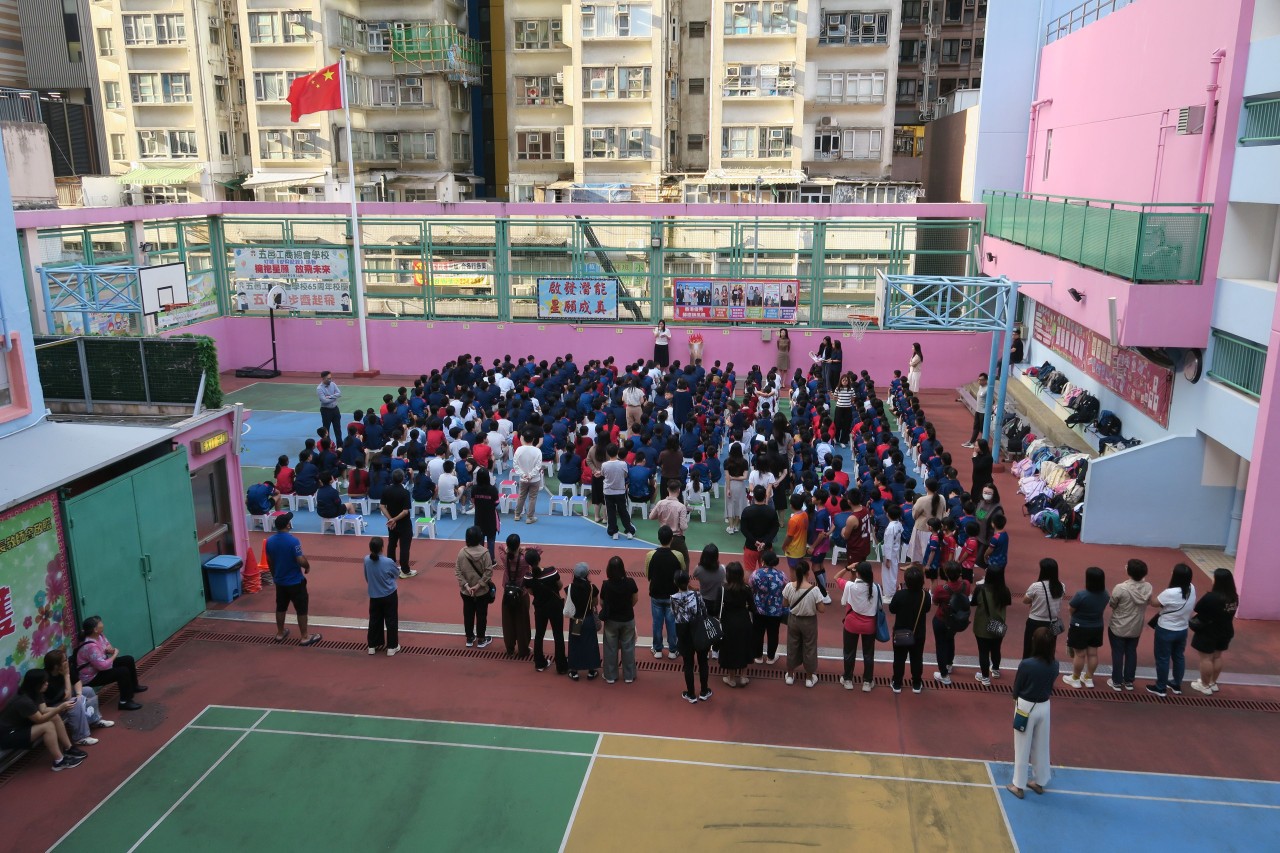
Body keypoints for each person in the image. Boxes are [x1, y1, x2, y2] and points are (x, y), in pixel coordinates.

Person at [1007, 627, 1058, 799]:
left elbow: (1017, 687)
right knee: (1042, 745)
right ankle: (1040, 781)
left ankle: (1018, 785)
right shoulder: (1055, 665)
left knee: (1022, 746)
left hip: (1025, 706)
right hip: (1044, 705)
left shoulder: (1027, 664)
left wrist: (1015, 698)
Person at [0, 670, 85, 772]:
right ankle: (59, 762)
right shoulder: (23, 701)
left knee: (54, 717)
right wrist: (60, 708)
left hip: (21, 726)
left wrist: (63, 708)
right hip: (8, 735)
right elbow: (40, 719)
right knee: (47, 727)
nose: (47, 684)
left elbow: (43, 710)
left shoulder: (36, 692)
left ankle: (68, 748)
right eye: (44, 682)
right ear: (36, 684)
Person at [75, 615, 148, 709]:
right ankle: (124, 702)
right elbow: (102, 666)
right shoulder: (90, 646)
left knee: (128, 660)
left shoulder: (100, 636)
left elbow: (107, 645)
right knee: (122, 671)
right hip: (91, 676)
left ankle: (134, 686)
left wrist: (110, 650)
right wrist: (115, 654)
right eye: (100, 623)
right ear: (95, 629)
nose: (102, 624)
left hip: (98, 668)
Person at [1147, 563, 1197, 697]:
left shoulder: (1170, 593)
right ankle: (1176, 683)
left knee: (1162, 659)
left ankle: (1160, 687)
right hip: (1182, 629)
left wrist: (1148, 592)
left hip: (1166, 629)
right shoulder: (1191, 588)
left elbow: (1154, 603)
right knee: (1179, 656)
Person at [43, 649, 109, 746]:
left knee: (88, 691)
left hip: (65, 697)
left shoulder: (66, 667)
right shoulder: (47, 679)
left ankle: (95, 720)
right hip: (53, 707)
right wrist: (66, 675)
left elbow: (77, 681)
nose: (67, 662)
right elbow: (67, 697)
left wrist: (79, 695)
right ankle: (80, 737)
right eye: (64, 660)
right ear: (56, 666)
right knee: (74, 703)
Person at [1190, 568, 1238, 695]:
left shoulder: (1211, 597)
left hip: (1209, 632)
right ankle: (1212, 682)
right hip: (1226, 630)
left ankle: (1204, 685)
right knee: (1217, 656)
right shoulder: (1233, 597)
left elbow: (1197, 609)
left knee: (1206, 659)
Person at [1106, 559, 1151, 692]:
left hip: (1118, 625)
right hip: (1136, 626)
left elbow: (1112, 603)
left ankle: (1116, 681)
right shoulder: (1148, 587)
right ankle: (1129, 681)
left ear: (1129, 572)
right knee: (1131, 652)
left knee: (1117, 652)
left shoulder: (1120, 588)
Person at [835, 561, 881, 692]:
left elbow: (836, 577)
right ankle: (867, 682)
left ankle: (848, 679)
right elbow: (879, 606)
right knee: (868, 654)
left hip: (851, 624)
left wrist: (847, 568)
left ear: (858, 573)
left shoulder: (850, 586)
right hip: (869, 626)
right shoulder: (876, 587)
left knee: (849, 652)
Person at [1062, 567, 1110, 688]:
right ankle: (1088, 678)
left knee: (1079, 654)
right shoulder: (1105, 594)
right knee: (1093, 654)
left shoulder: (1081, 595)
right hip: (1097, 627)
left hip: (1080, 627)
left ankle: (1075, 678)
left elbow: (1071, 608)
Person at [782, 559, 825, 687]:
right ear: (808, 573)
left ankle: (790, 675)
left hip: (793, 620)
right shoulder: (814, 590)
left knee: (792, 645)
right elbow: (822, 609)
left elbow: (785, 604)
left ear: (796, 572)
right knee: (810, 647)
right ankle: (809, 678)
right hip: (809, 621)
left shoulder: (789, 586)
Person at [890, 565, 932, 694]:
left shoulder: (900, 594)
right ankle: (917, 683)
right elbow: (927, 609)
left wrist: (899, 592)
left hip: (901, 632)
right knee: (917, 658)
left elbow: (892, 609)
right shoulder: (925, 595)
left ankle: (897, 683)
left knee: (899, 658)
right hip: (918, 633)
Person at [671, 569, 712, 703]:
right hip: (698, 630)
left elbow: (674, 614)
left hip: (683, 633)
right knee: (703, 662)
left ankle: (691, 694)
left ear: (675, 582)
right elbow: (704, 611)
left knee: (688, 664)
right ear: (688, 581)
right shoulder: (697, 595)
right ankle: (704, 691)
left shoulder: (673, 598)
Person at [524, 550, 566, 674]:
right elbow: (560, 586)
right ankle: (561, 666)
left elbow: (531, 592)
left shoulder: (528, 577)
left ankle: (539, 663)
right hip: (555, 607)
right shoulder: (552, 572)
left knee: (539, 634)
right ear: (539, 559)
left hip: (540, 608)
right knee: (558, 635)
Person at [646, 525, 685, 659]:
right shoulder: (678, 555)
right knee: (672, 623)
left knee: (657, 623)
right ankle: (673, 650)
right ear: (671, 539)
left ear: (658, 538)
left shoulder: (650, 555)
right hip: (673, 595)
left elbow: (647, 575)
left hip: (656, 594)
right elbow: (682, 573)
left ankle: (657, 649)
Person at [931, 562, 972, 685]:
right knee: (950, 640)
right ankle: (949, 664)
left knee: (940, 646)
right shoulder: (966, 585)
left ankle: (944, 674)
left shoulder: (941, 589)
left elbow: (935, 601)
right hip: (956, 620)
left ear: (946, 574)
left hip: (941, 619)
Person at [600, 555, 639, 684]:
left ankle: (610, 675)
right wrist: (627, 607)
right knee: (628, 647)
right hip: (627, 618)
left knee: (610, 648)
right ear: (622, 568)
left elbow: (602, 602)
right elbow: (635, 599)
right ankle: (629, 675)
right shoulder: (630, 582)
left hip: (611, 620)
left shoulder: (606, 585)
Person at [455, 526, 495, 649]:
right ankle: (481, 639)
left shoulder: (462, 553)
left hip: (466, 592)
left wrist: (467, 586)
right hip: (482, 592)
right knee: (482, 615)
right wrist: (478, 585)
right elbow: (488, 572)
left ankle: (469, 638)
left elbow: (458, 572)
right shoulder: (485, 553)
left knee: (468, 615)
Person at [972, 565, 1011, 685]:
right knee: (996, 649)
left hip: (982, 626)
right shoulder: (1005, 590)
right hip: (998, 625)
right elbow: (1008, 603)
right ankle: (995, 669)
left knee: (983, 652)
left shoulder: (980, 589)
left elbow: (973, 603)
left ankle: (985, 677)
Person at [718, 562, 755, 688]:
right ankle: (743, 676)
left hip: (728, 622)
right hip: (744, 621)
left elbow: (716, 608)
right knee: (744, 646)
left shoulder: (723, 589)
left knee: (730, 649)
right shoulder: (746, 588)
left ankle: (731, 678)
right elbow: (753, 607)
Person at [498, 534, 533, 659]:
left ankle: (510, 648)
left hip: (507, 593)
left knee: (508, 621)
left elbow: (500, 546)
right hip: (521, 593)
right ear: (518, 545)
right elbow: (538, 549)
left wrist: (507, 549)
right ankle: (523, 649)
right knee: (522, 621)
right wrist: (525, 548)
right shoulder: (525, 559)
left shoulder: (504, 557)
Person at [364, 536, 401, 655]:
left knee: (374, 620)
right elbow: (396, 574)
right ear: (382, 548)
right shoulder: (388, 561)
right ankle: (392, 646)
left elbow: (366, 576)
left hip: (374, 595)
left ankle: (372, 645)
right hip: (389, 594)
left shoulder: (366, 560)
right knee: (391, 620)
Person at [565, 562, 601, 681]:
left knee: (575, 644)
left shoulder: (569, 588)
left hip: (576, 620)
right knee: (590, 644)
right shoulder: (592, 588)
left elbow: (568, 602)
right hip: (588, 619)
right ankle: (591, 670)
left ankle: (574, 671)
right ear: (587, 574)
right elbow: (595, 603)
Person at [750, 549, 787, 664]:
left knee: (757, 633)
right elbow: (786, 589)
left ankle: (758, 657)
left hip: (758, 609)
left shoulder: (756, 574)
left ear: (763, 561)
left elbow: (751, 587)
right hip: (776, 610)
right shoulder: (781, 575)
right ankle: (771, 657)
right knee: (773, 633)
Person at [1022, 558, 1064, 659]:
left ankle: (1028, 667)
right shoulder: (1061, 586)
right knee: (1049, 649)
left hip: (1035, 622)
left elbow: (1025, 600)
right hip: (1053, 622)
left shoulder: (1036, 586)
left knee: (1029, 649)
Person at [379, 470, 417, 579]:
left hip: (392, 525)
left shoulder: (386, 490)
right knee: (404, 547)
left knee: (392, 545)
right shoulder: (405, 493)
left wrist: (390, 519)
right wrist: (395, 519)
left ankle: (391, 569)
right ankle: (405, 571)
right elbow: (405, 511)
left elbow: (382, 506)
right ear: (403, 479)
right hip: (404, 524)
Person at [740, 485, 780, 573]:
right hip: (766, 548)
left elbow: (743, 529)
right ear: (765, 496)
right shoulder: (771, 511)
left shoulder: (747, 511)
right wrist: (765, 542)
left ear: (754, 496)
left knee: (749, 571)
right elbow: (775, 528)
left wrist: (754, 541)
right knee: (767, 572)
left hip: (751, 547)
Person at [602, 445, 637, 540]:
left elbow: (603, 474)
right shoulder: (623, 464)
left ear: (607, 453)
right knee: (623, 511)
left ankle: (614, 532)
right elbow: (625, 475)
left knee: (611, 512)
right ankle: (629, 531)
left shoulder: (604, 465)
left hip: (608, 492)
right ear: (617, 452)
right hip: (620, 491)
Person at [649, 480, 690, 560]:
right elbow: (683, 527)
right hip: (677, 539)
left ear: (668, 489)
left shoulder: (660, 503)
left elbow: (651, 517)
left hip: (664, 538)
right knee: (684, 559)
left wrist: (661, 515)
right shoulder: (681, 507)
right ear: (679, 490)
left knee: (664, 560)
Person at [512, 428, 544, 524]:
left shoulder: (519, 450)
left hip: (523, 479)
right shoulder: (537, 451)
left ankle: (517, 515)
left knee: (521, 496)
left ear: (523, 438)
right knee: (532, 498)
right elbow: (538, 466)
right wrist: (531, 475)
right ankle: (530, 517)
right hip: (534, 479)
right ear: (533, 439)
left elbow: (515, 465)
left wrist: (523, 475)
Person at [471, 468, 500, 558]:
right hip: (490, 518)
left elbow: (473, 501)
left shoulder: (474, 489)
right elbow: (496, 502)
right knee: (491, 540)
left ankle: (480, 558)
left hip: (479, 517)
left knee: (479, 539)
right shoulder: (493, 489)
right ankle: (491, 560)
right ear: (488, 477)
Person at [723, 444, 749, 534]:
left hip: (729, 484)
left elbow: (727, 476)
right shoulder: (744, 462)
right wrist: (736, 477)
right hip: (740, 485)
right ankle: (736, 526)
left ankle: (730, 527)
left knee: (730, 505)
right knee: (739, 505)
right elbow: (745, 477)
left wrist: (728, 488)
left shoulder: (727, 461)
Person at [963, 373, 990, 448]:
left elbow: (992, 400)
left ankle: (983, 445)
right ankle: (971, 442)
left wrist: (987, 408)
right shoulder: (980, 387)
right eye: (979, 379)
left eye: (981, 380)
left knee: (982, 429)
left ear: (985, 380)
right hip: (978, 410)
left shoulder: (988, 389)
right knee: (976, 427)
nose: (979, 381)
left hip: (983, 412)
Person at [318, 370, 343, 445]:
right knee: (326, 430)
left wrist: (330, 397)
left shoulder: (333, 384)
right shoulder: (319, 388)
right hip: (326, 411)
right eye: (328, 378)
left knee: (338, 429)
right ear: (323, 378)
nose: (330, 380)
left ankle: (340, 446)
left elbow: (339, 393)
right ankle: (327, 446)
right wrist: (334, 398)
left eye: (330, 378)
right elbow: (324, 401)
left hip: (335, 409)